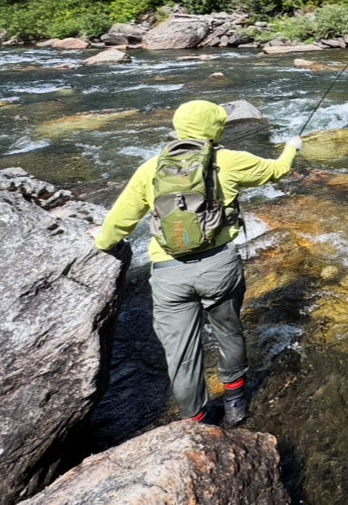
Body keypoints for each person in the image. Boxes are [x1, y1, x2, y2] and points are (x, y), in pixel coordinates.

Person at [92, 99, 302, 425]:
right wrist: (292, 147)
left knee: (180, 353)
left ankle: (197, 420)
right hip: (219, 266)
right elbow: (278, 170)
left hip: (169, 274)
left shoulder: (151, 168)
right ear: (215, 129)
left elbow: (117, 225)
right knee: (228, 332)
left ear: (178, 127)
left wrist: (101, 241)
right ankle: (235, 401)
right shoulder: (229, 160)